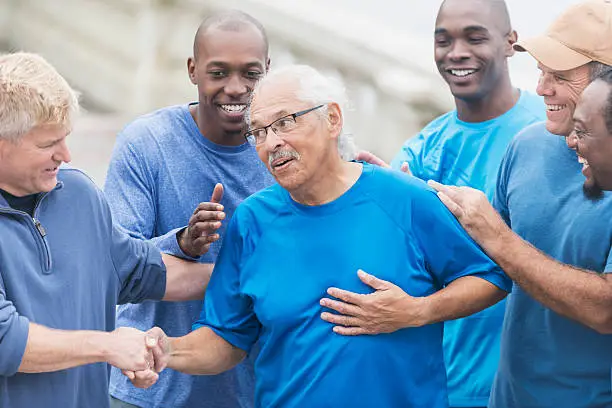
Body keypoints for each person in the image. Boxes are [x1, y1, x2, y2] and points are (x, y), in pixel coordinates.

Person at [126, 64, 511, 407]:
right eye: (258, 132)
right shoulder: (251, 221)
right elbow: (225, 338)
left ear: (332, 118)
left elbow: (491, 277)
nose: (271, 143)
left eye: (285, 122)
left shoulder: (406, 199)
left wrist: (418, 312)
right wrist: (166, 349)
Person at [329, 1, 544, 406]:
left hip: (534, 386)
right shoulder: (422, 150)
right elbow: (397, 266)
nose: (456, 52)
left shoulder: (548, 132)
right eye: (443, 40)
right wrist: (389, 199)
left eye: (474, 37)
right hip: (448, 385)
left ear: (510, 44)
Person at [0, 52, 215, 408]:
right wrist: (109, 346)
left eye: (66, 138)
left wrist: (249, 276)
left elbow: (144, 272)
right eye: (47, 144)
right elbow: (6, 341)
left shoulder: (80, 196)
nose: (66, 155)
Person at [427, 1, 612, 407]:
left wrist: (496, 235)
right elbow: (491, 267)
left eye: (560, 76)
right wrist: (396, 191)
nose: (542, 88)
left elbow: (605, 310)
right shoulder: (528, 144)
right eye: (542, 71)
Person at [104, 11, 275, 408]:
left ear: (268, 70)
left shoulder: (283, 149)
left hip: (252, 390)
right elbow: (116, 266)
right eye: (219, 73)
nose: (236, 88)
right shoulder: (146, 143)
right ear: (192, 70)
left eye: (251, 74)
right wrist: (183, 242)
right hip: (146, 386)